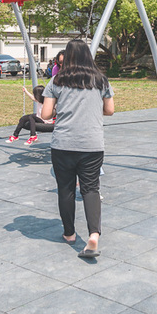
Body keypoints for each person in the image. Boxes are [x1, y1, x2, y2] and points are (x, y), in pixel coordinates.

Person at [41, 39, 113, 258]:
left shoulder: (57, 80)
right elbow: (109, 110)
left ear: (68, 57)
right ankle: (93, 235)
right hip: (92, 144)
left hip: (63, 144)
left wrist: (59, 111)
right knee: (91, 188)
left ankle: (70, 234)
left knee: (66, 189)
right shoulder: (101, 80)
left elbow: (45, 115)